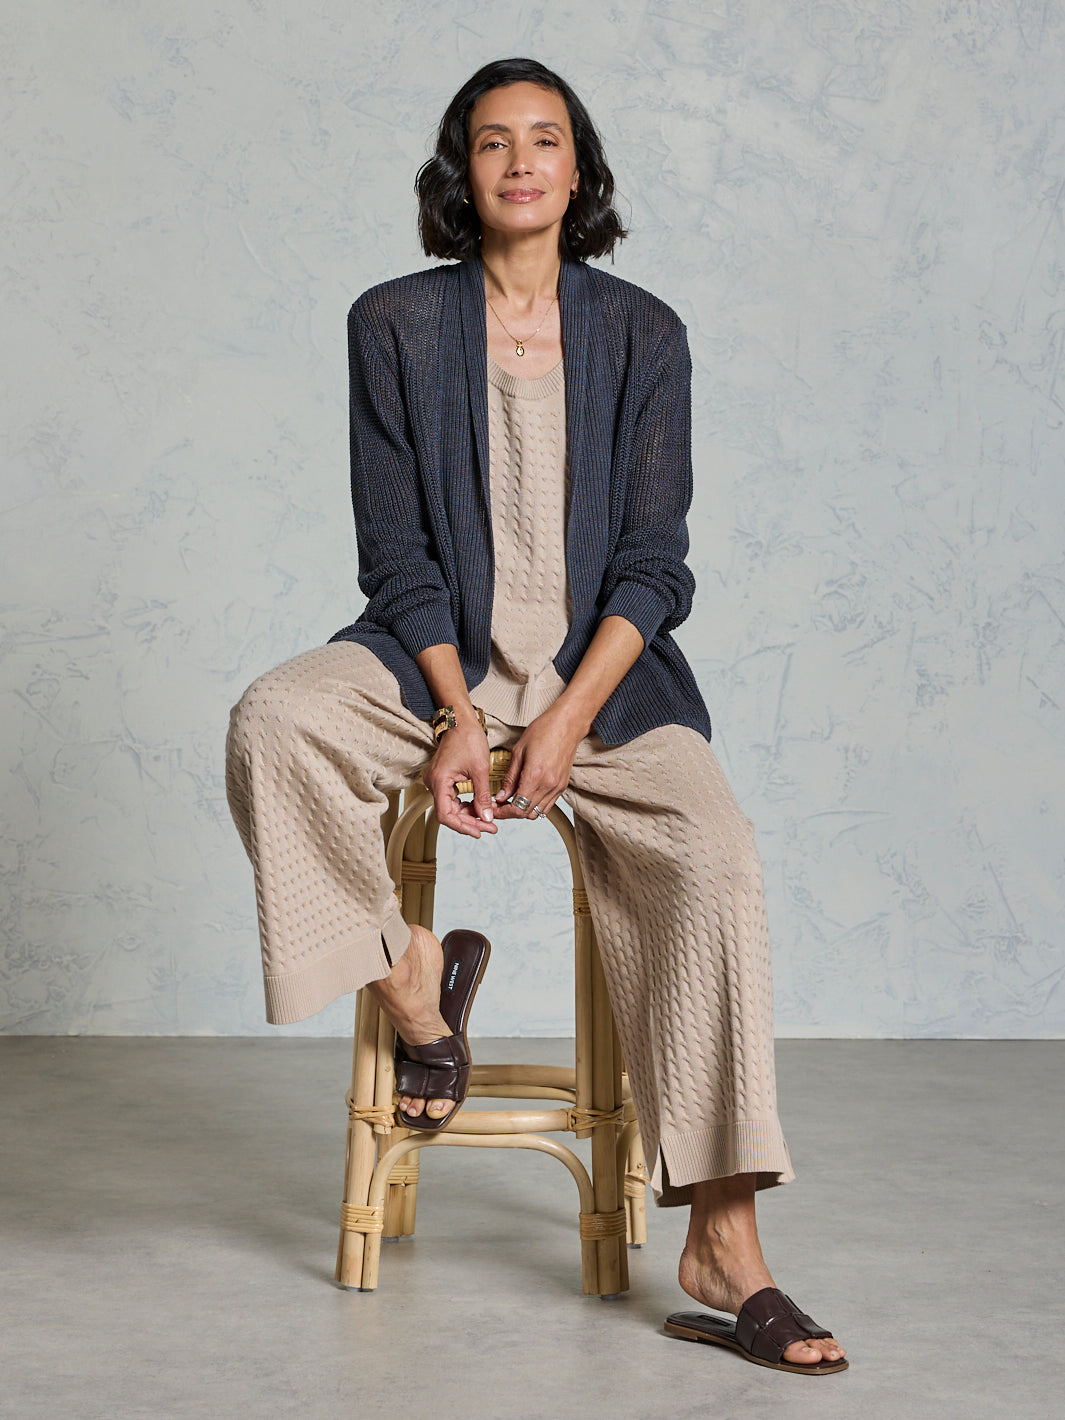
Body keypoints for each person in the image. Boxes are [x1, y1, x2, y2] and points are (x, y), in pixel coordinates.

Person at [226, 57, 847, 1375]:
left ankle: (723, 1248)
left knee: (717, 860)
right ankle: (415, 984)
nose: (519, 160)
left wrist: (563, 718)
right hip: (423, 670)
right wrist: (458, 714)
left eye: (545, 139)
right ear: (463, 172)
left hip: (607, 694)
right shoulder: (392, 321)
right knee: (274, 721)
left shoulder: (643, 333)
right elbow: (393, 556)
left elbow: (653, 564)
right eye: (492, 140)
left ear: (579, 171)